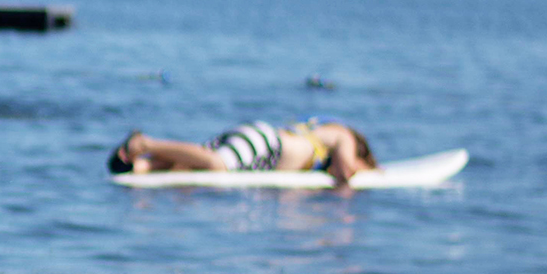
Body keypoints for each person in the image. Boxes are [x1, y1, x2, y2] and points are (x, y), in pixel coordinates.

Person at [107, 119, 377, 184]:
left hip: (261, 142)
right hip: (267, 144)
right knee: (217, 165)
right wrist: (370, 172)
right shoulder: (342, 134)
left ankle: (138, 167)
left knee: (190, 165)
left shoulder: (319, 129)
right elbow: (345, 171)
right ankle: (145, 144)